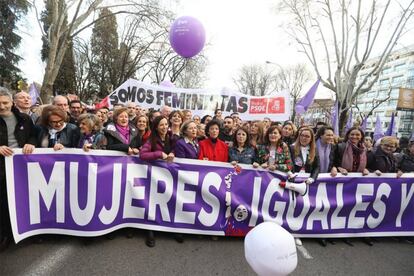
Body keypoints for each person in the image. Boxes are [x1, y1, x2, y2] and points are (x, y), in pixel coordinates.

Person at [0, 87, 36, 251]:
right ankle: (5, 234)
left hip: (21, 167)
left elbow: (34, 135)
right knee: (3, 202)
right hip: (2, 168)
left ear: (12, 102)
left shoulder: (24, 119)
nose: (2, 107)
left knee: (23, 199)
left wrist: (31, 143)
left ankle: (27, 230)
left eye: (5, 102)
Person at [139, 116, 175, 247]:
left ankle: (172, 228)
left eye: (166, 124)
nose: (165, 127)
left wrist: (172, 153)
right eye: (161, 125)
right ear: (156, 127)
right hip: (154, 177)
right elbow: (142, 155)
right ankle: (150, 230)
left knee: (169, 201)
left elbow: (176, 150)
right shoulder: (151, 140)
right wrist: (159, 154)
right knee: (152, 203)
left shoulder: (171, 138)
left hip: (169, 177)